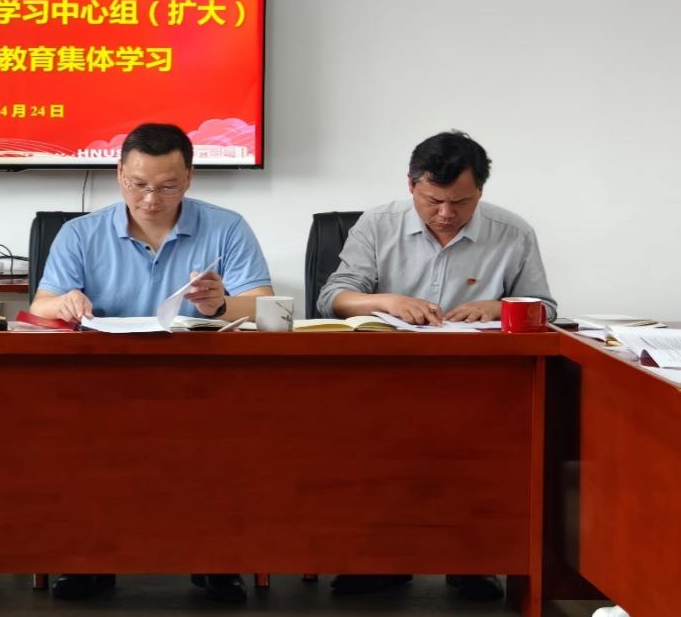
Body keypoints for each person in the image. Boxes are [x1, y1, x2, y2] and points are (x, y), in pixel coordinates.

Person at [29, 123, 274, 604]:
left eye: (167, 187)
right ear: (120, 175)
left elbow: (266, 306)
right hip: (103, 380)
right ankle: (88, 559)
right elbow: (41, 306)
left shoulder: (227, 227)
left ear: (189, 179)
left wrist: (220, 304)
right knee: (71, 431)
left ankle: (217, 558)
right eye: (138, 184)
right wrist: (64, 303)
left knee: (229, 433)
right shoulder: (81, 233)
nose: (150, 199)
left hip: (201, 379)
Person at [317, 130, 556, 602]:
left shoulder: (512, 233)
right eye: (433, 201)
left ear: (480, 192)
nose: (446, 214)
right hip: (383, 378)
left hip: (477, 383)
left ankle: (472, 560)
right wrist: (386, 300)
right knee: (371, 445)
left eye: (461, 202)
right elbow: (332, 298)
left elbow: (544, 307)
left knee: (490, 447)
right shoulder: (377, 224)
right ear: (411, 186)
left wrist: (496, 307)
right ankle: (378, 561)